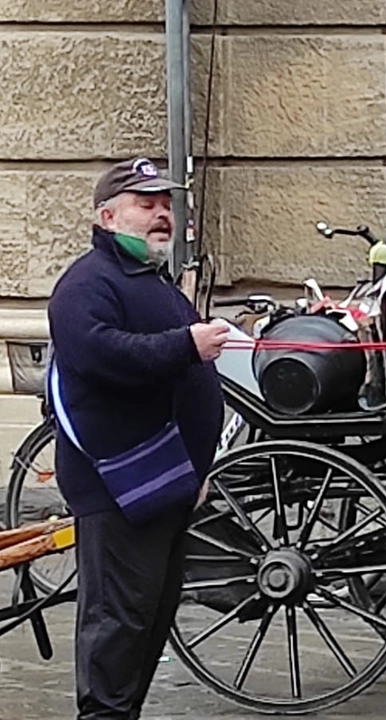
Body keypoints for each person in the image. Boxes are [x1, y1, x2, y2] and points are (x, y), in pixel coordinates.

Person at [47, 157, 229, 719]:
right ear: (107, 215)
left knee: (146, 624)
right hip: (119, 485)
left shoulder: (147, 279)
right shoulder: (86, 284)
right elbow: (102, 354)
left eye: (166, 205)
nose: (162, 215)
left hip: (165, 485)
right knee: (118, 627)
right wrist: (186, 346)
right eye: (146, 205)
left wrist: (196, 472)